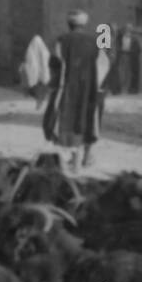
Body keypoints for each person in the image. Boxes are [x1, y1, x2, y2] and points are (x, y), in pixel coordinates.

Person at [44, 9, 106, 170]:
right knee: (88, 118)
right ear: (84, 24)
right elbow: (103, 63)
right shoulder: (95, 41)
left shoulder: (61, 40)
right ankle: (84, 156)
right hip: (89, 89)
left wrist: (53, 83)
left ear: (69, 24)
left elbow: (54, 64)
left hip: (67, 89)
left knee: (63, 119)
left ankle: (74, 156)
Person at [19, 33, 53, 109]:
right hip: (42, 72)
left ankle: (38, 101)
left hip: (36, 71)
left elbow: (29, 60)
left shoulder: (30, 49)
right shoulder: (44, 50)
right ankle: (39, 101)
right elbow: (46, 60)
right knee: (41, 88)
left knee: (38, 88)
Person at [108, 24, 142, 95]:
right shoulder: (120, 38)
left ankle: (129, 89)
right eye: (127, 29)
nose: (128, 30)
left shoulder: (134, 39)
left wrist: (133, 52)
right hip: (121, 55)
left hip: (130, 56)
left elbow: (138, 49)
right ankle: (119, 88)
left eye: (130, 29)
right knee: (121, 72)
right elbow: (116, 46)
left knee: (129, 73)